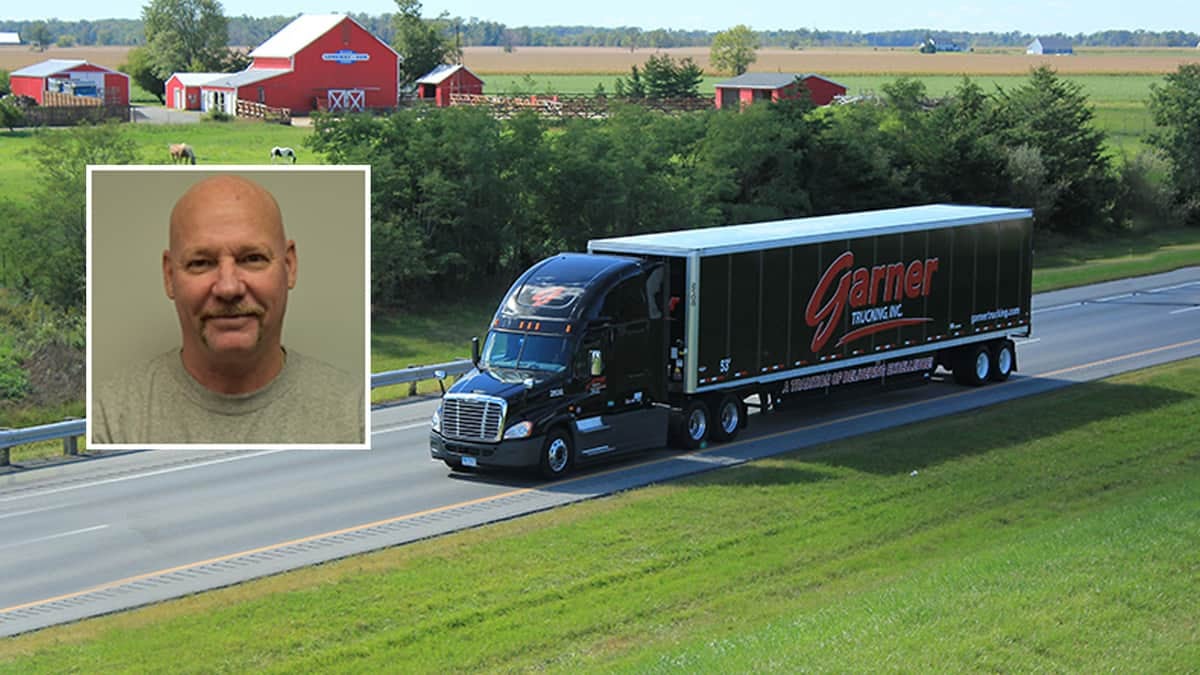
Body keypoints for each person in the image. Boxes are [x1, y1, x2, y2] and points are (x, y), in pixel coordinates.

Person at [93, 174, 364, 445]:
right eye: (201, 263)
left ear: (289, 266)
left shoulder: (357, 414)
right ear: (169, 276)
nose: (228, 288)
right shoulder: (110, 422)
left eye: (252, 259)